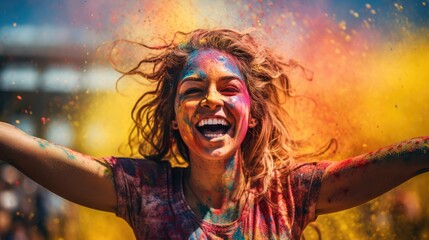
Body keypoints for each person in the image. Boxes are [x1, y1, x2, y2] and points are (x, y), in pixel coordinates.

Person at [0, 28, 428, 240]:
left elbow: (399, 161)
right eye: (192, 91)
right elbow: (31, 150)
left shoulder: (287, 196)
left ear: (253, 115)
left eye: (229, 88)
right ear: (172, 119)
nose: (210, 100)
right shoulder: (147, 194)